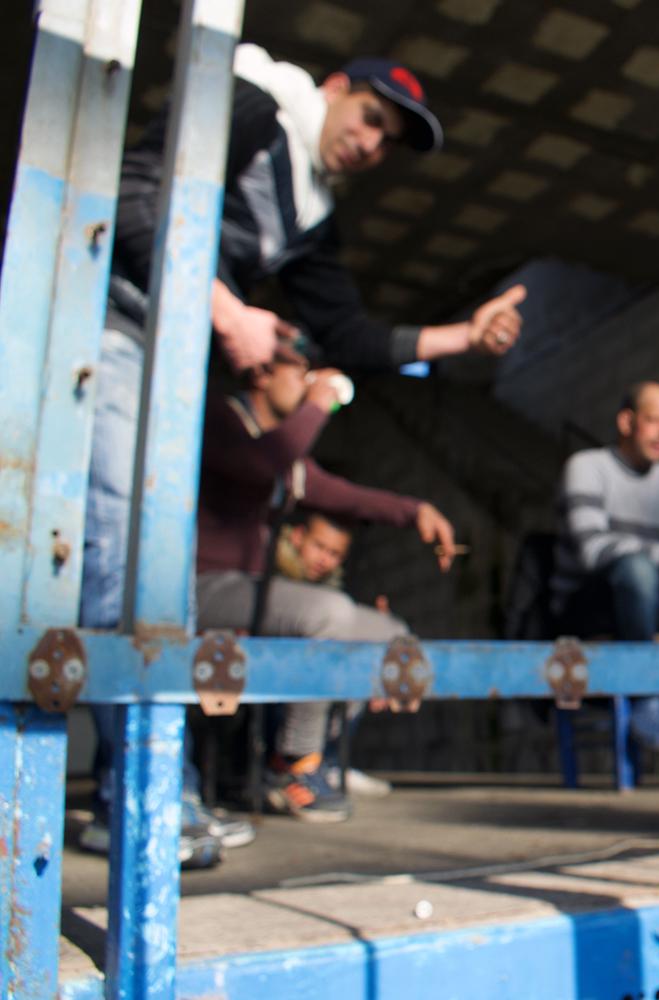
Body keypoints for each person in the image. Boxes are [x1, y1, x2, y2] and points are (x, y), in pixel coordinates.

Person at [81, 45, 524, 858]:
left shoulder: (311, 215)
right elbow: (139, 194)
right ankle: (140, 797)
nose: (371, 145)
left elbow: (352, 334)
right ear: (333, 89)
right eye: (370, 119)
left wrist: (464, 334)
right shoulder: (260, 103)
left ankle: (152, 790)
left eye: (386, 142)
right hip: (107, 326)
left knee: (149, 578)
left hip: (167, 357)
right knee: (120, 559)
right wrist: (229, 313)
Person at [193, 337, 456, 821]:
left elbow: (344, 495)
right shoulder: (222, 419)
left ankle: (324, 754)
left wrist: (415, 510)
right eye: (299, 368)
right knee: (328, 613)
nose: (311, 377)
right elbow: (265, 461)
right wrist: (318, 404)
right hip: (203, 589)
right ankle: (292, 764)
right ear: (261, 373)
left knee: (387, 632)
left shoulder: (285, 457)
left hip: (251, 596)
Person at [552, 382, 659, 752]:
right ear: (627, 422)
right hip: (589, 606)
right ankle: (645, 690)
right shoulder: (586, 467)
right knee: (637, 571)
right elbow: (592, 551)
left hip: (650, 603)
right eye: (653, 421)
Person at [274, 511, 395, 799]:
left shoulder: (334, 586)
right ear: (297, 536)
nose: (325, 559)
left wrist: (381, 674)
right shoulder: (270, 571)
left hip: (312, 689)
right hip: (275, 680)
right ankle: (293, 766)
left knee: (357, 659)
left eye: (335, 554)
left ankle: (326, 763)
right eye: (319, 547)